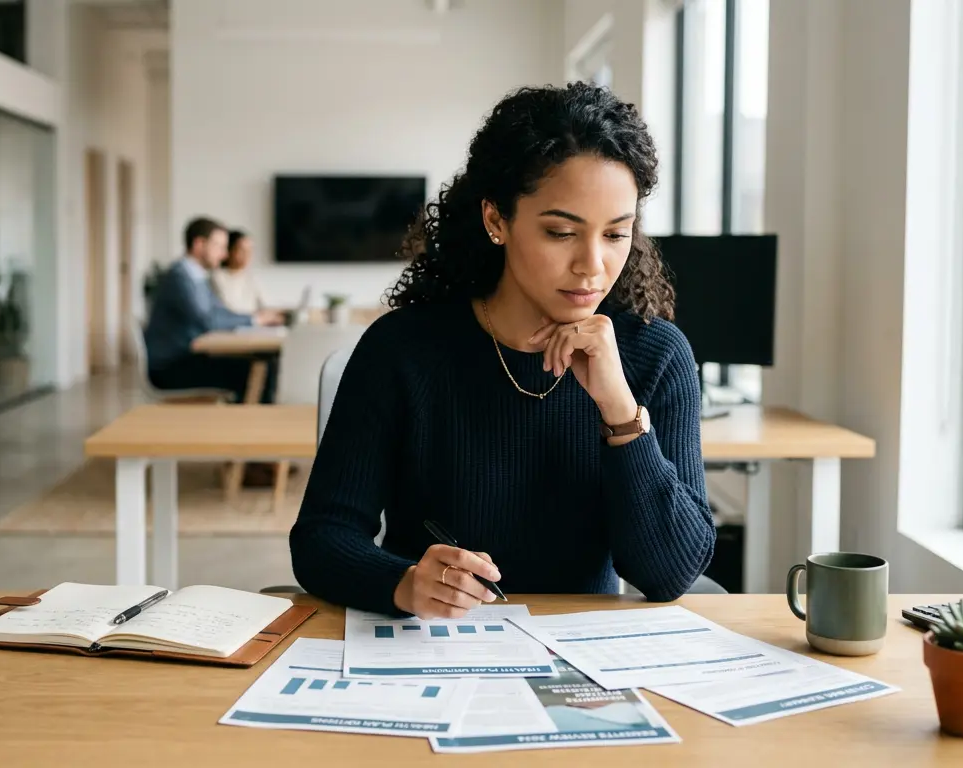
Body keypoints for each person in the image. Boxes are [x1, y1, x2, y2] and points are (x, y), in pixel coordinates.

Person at [289, 84, 716, 618]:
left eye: (615, 234)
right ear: (496, 220)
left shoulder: (655, 354)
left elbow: (671, 574)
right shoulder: (403, 349)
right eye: (561, 232)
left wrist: (620, 411)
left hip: (583, 660)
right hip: (431, 647)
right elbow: (321, 537)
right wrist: (401, 582)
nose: (592, 264)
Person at [145, 217, 284, 402]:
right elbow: (207, 321)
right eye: (219, 246)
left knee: (262, 364)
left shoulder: (195, 276)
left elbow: (220, 311)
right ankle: (251, 427)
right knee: (255, 370)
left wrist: (254, 317)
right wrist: (255, 321)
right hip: (170, 367)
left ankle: (247, 424)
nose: (224, 254)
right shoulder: (180, 277)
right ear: (199, 244)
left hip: (186, 357)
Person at [211, 230, 265, 315]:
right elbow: (229, 310)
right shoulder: (216, 277)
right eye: (242, 250)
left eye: (250, 250)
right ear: (229, 251)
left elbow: (261, 307)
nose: (247, 254)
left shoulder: (250, 278)